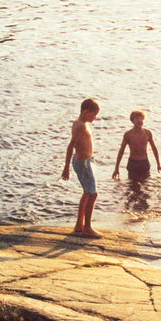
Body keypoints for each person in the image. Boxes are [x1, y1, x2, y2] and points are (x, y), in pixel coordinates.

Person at [62, 98, 101, 237]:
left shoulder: (79, 123)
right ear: (85, 111)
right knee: (92, 193)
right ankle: (87, 227)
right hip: (83, 162)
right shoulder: (81, 126)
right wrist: (65, 167)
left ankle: (79, 224)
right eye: (93, 115)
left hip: (85, 161)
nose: (94, 118)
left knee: (87, 192)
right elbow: (71, 146)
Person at [112, 109, 161, 182]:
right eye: (137, 118)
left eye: (141, 118)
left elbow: (154, 149)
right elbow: (121, 151)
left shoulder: (147, 133)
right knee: (132, 186)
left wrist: (159, 165)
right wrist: (116, 169)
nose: (139, 120)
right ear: (132, 121)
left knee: (146, 186)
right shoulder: (128, 134)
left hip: (144, 163)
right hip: (133, 163)